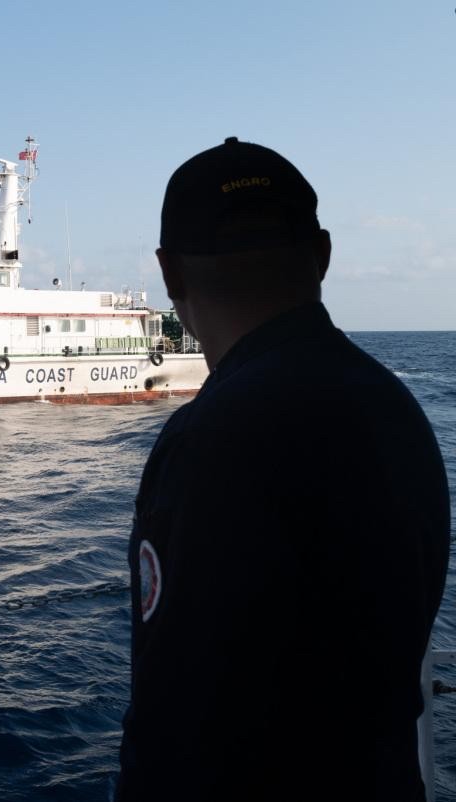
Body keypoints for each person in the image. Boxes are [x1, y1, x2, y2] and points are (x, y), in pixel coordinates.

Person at [117, 137, 450, 801]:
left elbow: (175, 721)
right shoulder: (396, 410)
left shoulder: (205, 439)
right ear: (322, 255)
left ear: (169, 274)